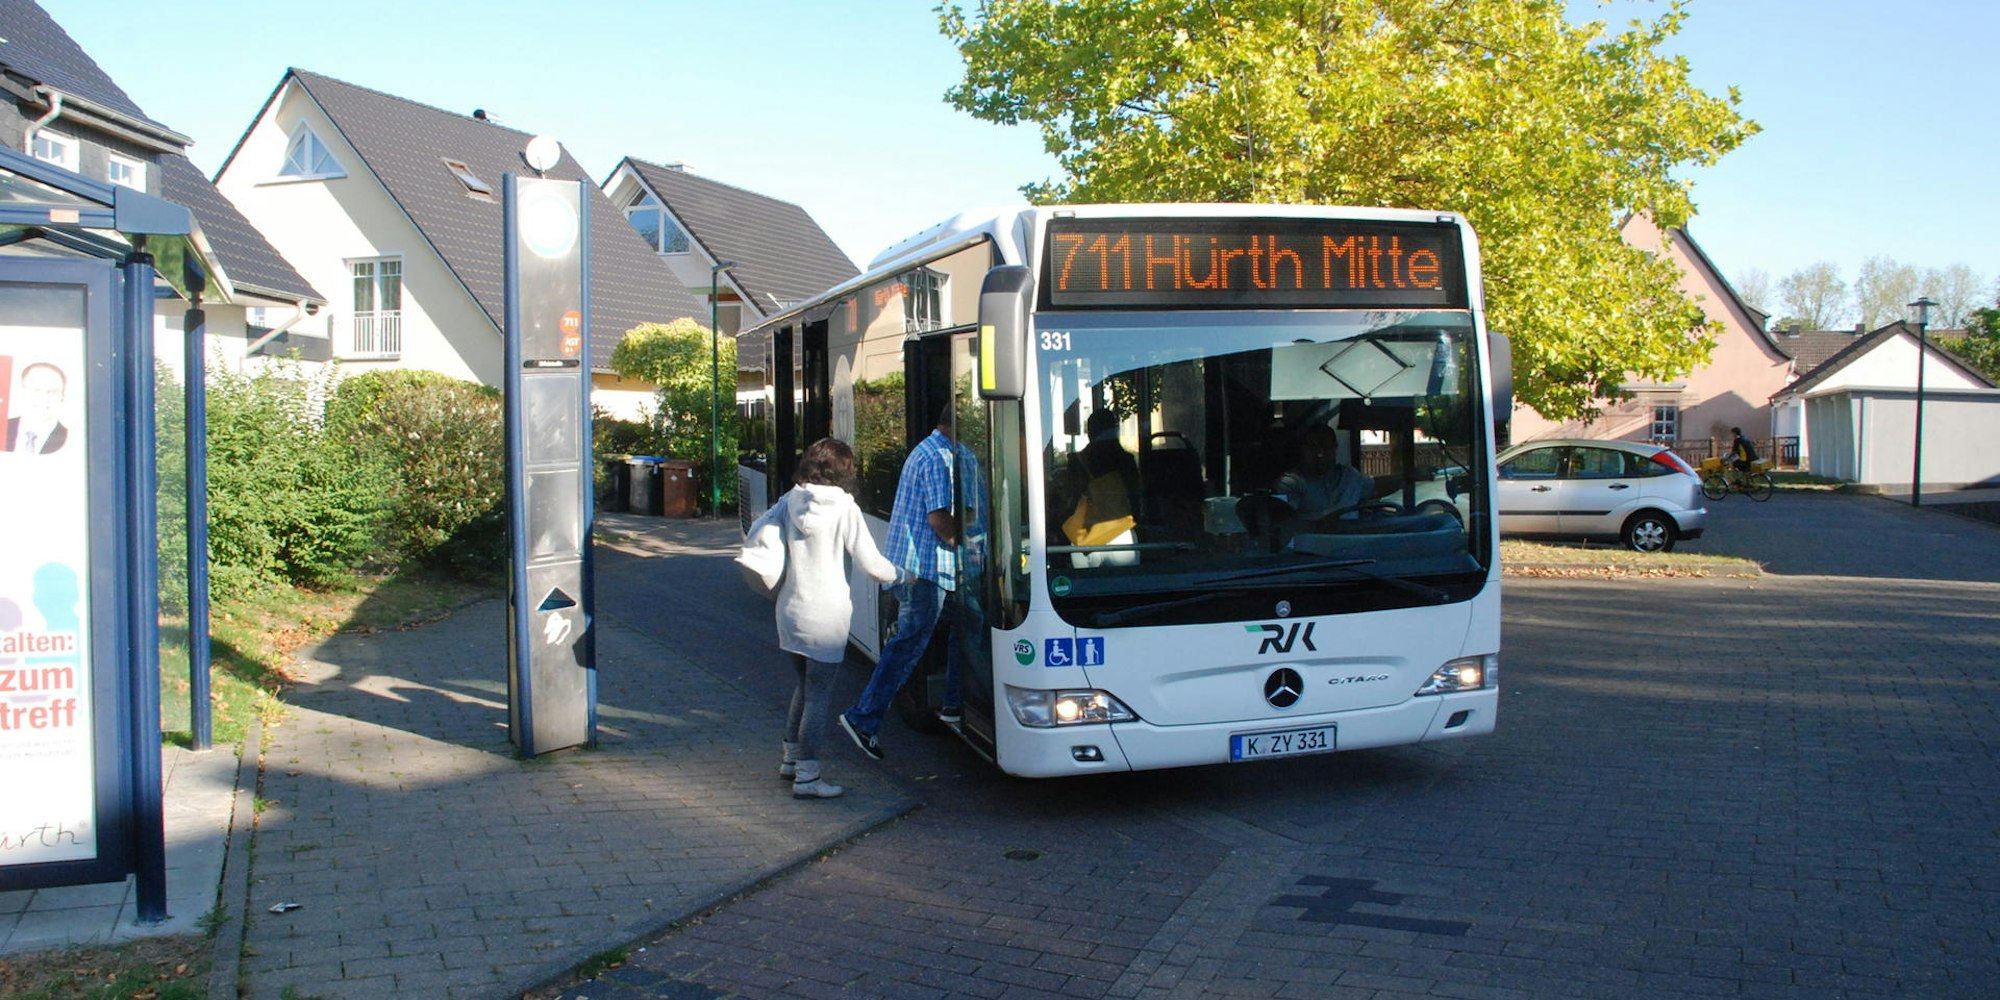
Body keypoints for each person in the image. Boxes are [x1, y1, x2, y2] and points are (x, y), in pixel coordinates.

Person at [738, 437, 901, 799]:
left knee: (805, 687)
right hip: (825, 617)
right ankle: (808, 776)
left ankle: (791, 759)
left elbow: (759, 528)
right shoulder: (845, 508)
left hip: (790, 611)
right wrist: (902, 574)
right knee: (818, 696)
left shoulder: (791, 499)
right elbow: (872, 564)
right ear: (844, 470)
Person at [839, 406, 960, 759]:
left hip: (927, 569)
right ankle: (863, 718)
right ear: (957, 423)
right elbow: (939, 519)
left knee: (966, 625)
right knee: (907, 646)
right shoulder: (938, 458)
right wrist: (970, 544)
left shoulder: (933, 450)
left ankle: (954, 702)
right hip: (925, 572)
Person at [1062, 408, 1141, 567]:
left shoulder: (1077, 461)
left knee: (1085, 582)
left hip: (1084, 534)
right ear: (1114, 428)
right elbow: (1136, 497)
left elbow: (1069, 500)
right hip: (1121, 533)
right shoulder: (1125, 460)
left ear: (1090, 432)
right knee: (1126, 582)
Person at [1274, 423, 1372, 524]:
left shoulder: (1351, 477)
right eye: (1313, 448)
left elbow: (1376, 488)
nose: (1320, 454)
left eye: (1326, 447)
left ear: (1335, 449)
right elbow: (1283, 522)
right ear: (1302, 450)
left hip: (1352, 534)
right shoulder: (1291, 482)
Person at [5, 362, 69, 455]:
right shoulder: (3, 428)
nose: (44, 398)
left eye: (52, 392)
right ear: (21, 392)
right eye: (36, 390)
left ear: (62, 397)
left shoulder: (71, 440)